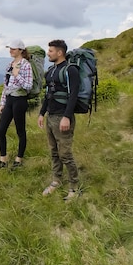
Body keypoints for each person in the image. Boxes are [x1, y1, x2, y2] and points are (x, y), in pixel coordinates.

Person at [38, 39, 80, 200]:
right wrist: (42, 113)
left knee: (65, 154)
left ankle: (74, 187)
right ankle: (56, 181)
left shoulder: (71, 70)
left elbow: (73, 95)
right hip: (51, 116)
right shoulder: (51, 70)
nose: (48, 53)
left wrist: (66, 117)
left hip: (62, 117)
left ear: (60, 52)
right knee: (54, 152)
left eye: (50, 51)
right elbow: (49, 94)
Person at [0, 39, 33, 170]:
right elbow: (6, 85)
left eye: (13, 49)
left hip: (20, 100)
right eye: (10, 48)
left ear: (21, 50)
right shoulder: (10, 64)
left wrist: (17, 75)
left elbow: (28, 86)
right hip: (10, 99)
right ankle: (3, 159)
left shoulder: (26, 65)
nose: (10, 50)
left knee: (20, 130)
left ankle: (18, 159)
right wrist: (2, 102)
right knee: (1, 130)